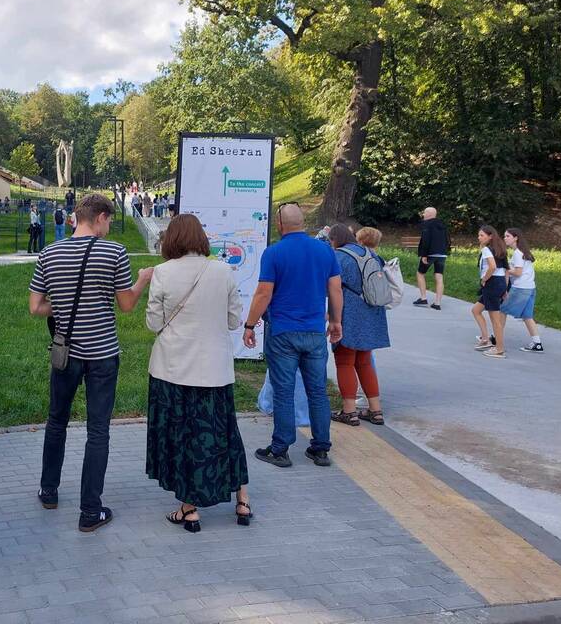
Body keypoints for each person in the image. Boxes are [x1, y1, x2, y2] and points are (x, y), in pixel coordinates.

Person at [28, 194, 153, 532]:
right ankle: (90, 511)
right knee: (98, 431)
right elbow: (126, 305)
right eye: (109, 220)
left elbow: (36, 306)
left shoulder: (49, 253)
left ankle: (49, 490)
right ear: (99, 217)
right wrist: (142, 279)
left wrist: (65, 307)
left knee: (57, 421)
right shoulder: (114, 252)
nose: (110, 226)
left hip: (65, 353)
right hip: (102, 354)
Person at [145, 214, 251, 532]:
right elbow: (234, 321)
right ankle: (242, 501)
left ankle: (189, 509)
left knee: (183, 436)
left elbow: (153, 323)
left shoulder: (162, 273)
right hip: (216, 370)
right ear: (201, 238)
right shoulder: (224, 270)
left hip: (173, 370)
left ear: (171, 240)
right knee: (225, 433)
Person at [242, 203, 342, 468]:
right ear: (304, 222)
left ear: (279, 224)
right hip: (314, 333)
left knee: (284, 392)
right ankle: (320, 450)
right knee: (318, 391)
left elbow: (264, 293)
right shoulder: (324, 251)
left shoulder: (274, 252)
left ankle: (280, 450)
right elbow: (335, 290)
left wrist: (250, 324)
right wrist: (335, 321)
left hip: (283, 332)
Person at [328, 225, 390, 426]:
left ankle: (349, 411)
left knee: (344, 360)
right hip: (372, 312)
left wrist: (332, 317)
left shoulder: (338, 257)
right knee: (364, 360)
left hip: (350, 312)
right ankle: (376, 410)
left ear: (335, 240)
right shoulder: (371, 254)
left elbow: (333, 288)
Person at [502, 228, 543, 353]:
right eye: (505, 236)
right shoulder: (523, 252)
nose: (505, 238)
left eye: (508, 236)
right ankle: (537, 344)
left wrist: (506, 269)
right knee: (527, 316)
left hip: (521, 288)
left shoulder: (517, 253)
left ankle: (494, 338)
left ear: (516, 238)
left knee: (501, 311)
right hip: (530, 287)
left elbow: (518, 272)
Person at [472, 225, 509, 359]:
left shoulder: (487, 249)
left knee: (495, 320)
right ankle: (485, 339)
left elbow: (492, 267)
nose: (479, 237)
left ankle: (499, 349)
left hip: (491, 284)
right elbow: (506, 270)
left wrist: (484, 279)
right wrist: (504, 288)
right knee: (476, 310)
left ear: (490, 236)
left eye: (482, 235)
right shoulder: (500, 249)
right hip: (498, 284)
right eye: (479, 235)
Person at [413, 207, 450, 310]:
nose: (423, 215)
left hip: (430, 253)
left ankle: (423, 298)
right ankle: (437, 303)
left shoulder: (427, 225)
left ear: (429, 214)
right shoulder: (442, 224)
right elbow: (448, 239)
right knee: (439, 276)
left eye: (424, 213)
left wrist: (424, 255)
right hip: (442, 254)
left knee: (420, 273)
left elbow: (426, 240)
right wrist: (446, 251)